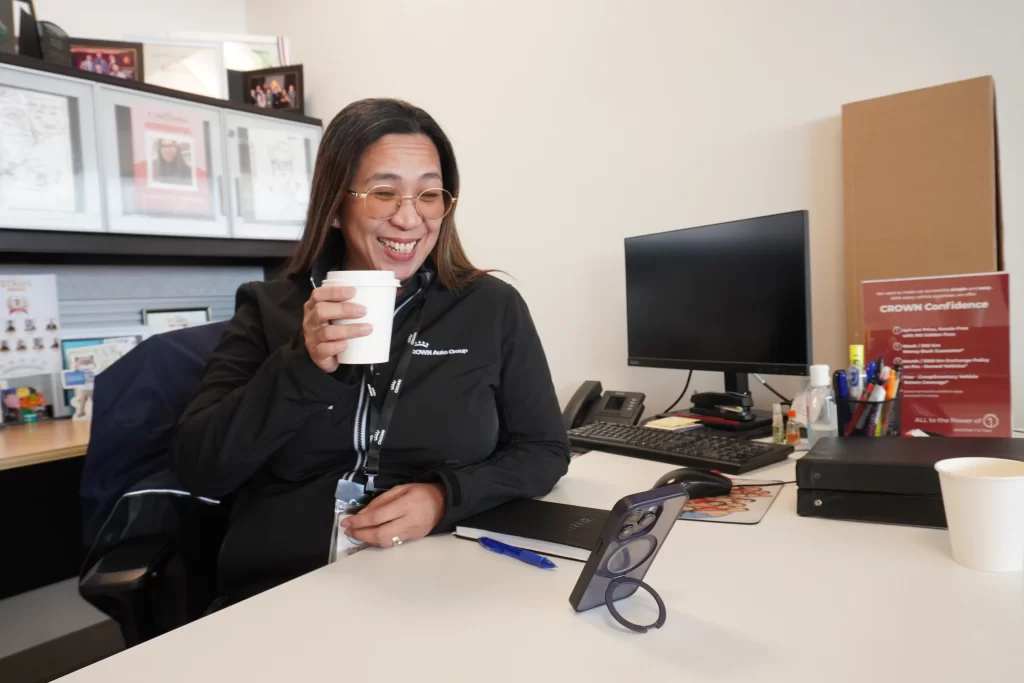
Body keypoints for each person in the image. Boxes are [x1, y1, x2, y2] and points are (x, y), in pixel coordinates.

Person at [171, 98, 570, 604]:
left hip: (437, 575)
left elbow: (544, 451)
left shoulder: (491, 307)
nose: (409, 218)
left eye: (429, 194)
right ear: (335, 206)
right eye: (384, 192)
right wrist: (301, 364)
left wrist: (444, 496)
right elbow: (200, 467)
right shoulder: (270, 307)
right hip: (286, 583)